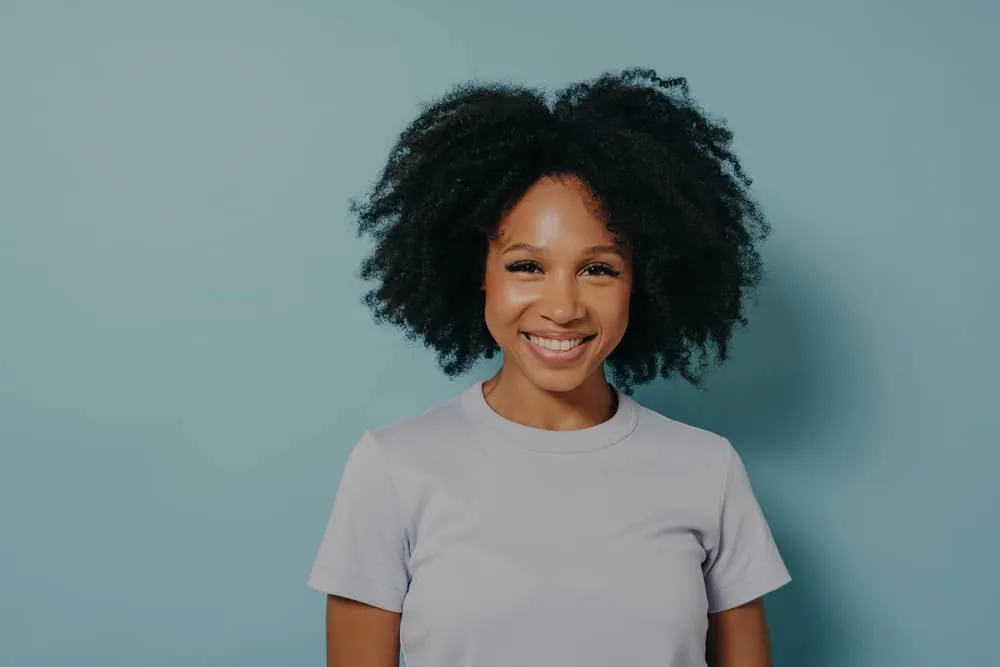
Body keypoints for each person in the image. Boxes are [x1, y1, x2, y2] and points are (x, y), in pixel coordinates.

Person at [307, 68, 791, 667]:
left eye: (598, 269)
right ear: (474, 273)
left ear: (644, 283)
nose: (562, 308)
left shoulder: (707, 470)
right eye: (526, 267)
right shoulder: (393, 468)